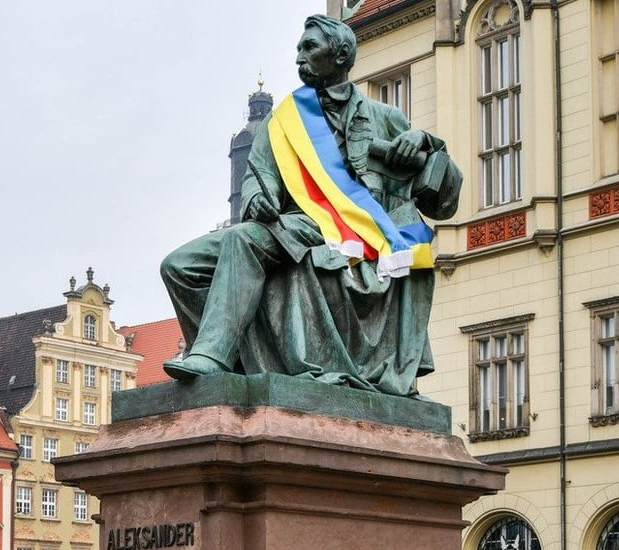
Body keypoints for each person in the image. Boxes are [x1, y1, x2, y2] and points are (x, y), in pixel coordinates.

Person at [160, 14, 461, 397]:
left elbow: (443, 201)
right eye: (298, 49)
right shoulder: (285, 119)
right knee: (178, 266)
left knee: (243, 242)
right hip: (293, 224)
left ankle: (212, 356)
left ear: (339, 56)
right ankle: (234, 368)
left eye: (309, 48)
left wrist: (427, 146)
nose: (299, 58)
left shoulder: (386, 118)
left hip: (350, 233)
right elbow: (259, 172)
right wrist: (256, 196)